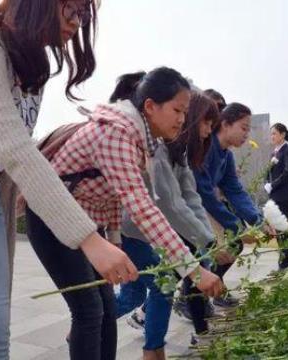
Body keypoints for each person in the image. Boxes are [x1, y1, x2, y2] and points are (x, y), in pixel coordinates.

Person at [0, 1, 140, 359]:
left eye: (84, 14)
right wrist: (89, 240)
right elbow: (17, 150)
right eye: (73, 7)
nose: (77, 21)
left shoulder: (30, 66)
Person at [25, 68, 223, 360]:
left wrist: (114, 241)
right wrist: (194, 270)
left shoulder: (140, 138)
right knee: (89, 311)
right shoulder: (117, 133)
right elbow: (144, 209)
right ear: (150, 106)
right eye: (177, 110)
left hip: (87, 226)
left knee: (105, 308)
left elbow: (114, 197)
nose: (183, 119)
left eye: (185, 111)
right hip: (52, 220)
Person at [116, 91, 220, 359]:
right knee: (163, 285)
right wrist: (205, 241)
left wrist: (205, 237)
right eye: (206, 123)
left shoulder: (180, 153)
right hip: (131, 230)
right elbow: (171, 206)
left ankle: (89, 318)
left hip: (146, 232)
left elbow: (191, 197)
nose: (208, 131)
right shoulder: (159, 150)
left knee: (132, 295)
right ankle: (153, 351)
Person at [192, 102, 263, 308]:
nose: (246, 135)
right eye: (243, 128)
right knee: (210, 252)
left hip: (205, 205)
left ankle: (213, 289)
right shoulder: (207, 147)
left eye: (248, 129)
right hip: (193, 207)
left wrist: (257, 220)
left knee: (233, 244)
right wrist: (238, 228)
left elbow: (235, 190)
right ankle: (195, 297)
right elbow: (205, 194)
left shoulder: (227, 156)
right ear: (225, 124)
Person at [264, 123, 288, 269]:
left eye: (274, 133)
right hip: (274, 195)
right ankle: (284, 259)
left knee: (282, 228)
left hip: (284, 195)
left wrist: (273, 184)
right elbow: (268, 172)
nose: (272, 136)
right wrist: (266, 183)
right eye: (271, 134)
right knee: (276, 228)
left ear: (282, 134)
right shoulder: (273, 153)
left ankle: (285, 261)